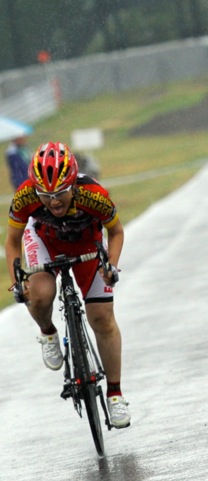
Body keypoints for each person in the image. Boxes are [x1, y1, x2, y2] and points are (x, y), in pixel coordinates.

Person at [5, 141, 130, 428]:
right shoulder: (26, 196)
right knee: (40, 294)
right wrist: (18, 281)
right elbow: (12, 241)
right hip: (45, 240)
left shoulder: (93, 195)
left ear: (74, 183)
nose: (54, 202)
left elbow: (116, 232)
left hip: (88, 244)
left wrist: (110, 264)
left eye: (61, 193)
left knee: (102, 319)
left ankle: (115, 395)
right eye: (45, 195)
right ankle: (47, 332)